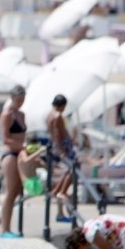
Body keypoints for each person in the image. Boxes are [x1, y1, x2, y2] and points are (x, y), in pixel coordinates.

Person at [0, 86, 30, 238]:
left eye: (22, 100)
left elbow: (22, 134)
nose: (20, 102)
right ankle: (4, 229)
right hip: (10, 154)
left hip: (20, 154)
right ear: (12, 98)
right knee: (10, 192)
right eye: (18, 100)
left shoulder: (21, 114)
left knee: (17, 191)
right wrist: (23, 147)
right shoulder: (7, 114)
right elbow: (5, 138)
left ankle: (5, 225)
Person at [45, 93, 78, 221]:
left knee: (67, 171)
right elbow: (58, 134)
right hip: (62, 147)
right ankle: (61, 191)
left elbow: (54, 134)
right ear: (62, 105)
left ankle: (59, 191)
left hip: (56, 146)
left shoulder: (49, 115)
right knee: (72, 169)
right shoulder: (58, 116)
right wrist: (62, 150)